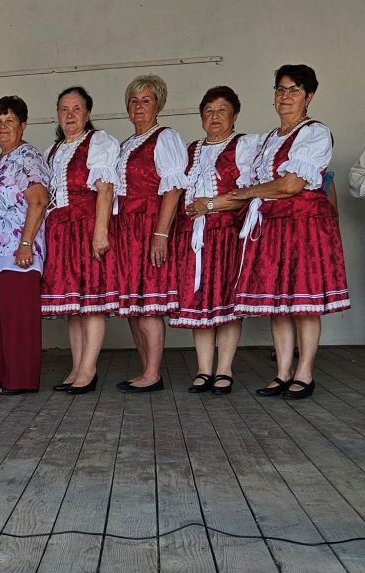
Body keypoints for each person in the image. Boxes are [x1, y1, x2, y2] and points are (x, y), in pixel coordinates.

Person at [218, 64, 349, 399]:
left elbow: (291, 185)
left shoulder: (314, 133)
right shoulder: (266, 140)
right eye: (280, 89)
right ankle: (282, 372)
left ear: (309, 96)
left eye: (294, 90)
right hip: (273, 226)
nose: (285, 96)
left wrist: (247, 193)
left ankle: (305, 373)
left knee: (303, 302)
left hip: (303, 225)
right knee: (277, 302)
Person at [173, 86, 259, 395]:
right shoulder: (190, 150)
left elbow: (247, 192)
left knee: (226, 302)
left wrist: (210, 205)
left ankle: (224, 369)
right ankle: (203, 369)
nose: (215, 116)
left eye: (222, 110)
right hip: (193, 237)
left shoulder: (244, 146)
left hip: (226, 235)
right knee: (199, 302)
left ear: (235, 115)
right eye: (208, 111)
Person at [110, 74, 187, 393]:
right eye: (134, 101)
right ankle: (146, 369)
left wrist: (161, 234)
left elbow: (173, 188)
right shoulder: (126, 144)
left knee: (149, 303)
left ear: (158, 105)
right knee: (133, 305)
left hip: (149, 225)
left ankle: (153, 373)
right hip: (126, 229)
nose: (139, 107)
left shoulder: (165, 138)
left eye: (146, 101)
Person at [41, 85, 119, 395]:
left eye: (76, 108)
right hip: (60, 231)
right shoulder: (53, 151)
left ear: (87, 113)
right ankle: (76, 367)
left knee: (92, 301)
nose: (70, 114)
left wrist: (100, 232)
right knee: (73, 304)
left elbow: (105, 189)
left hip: (86, 226)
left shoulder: (98, 142)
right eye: (64, 109)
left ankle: (89, 368)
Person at [0, 95, 50, 395]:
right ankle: (3, 375)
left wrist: (25, 244)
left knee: (19, 320)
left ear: (23, 125)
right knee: (1, 321)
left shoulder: (28, 157)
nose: (2, 127)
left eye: (9, 121)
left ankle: (22, 379)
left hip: (18, 253)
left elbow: (39, 201)